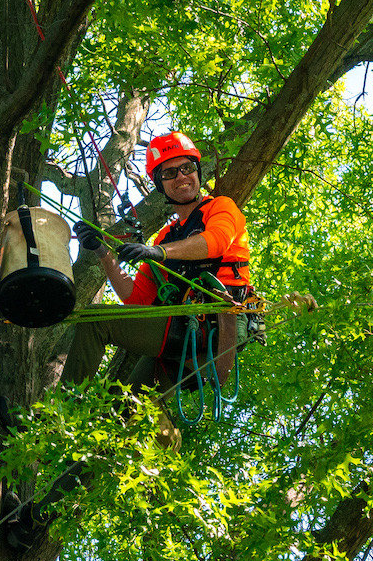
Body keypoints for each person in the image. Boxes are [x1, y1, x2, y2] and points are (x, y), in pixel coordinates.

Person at [61, 130, 254, 397]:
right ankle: (73, 434)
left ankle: (58, 415)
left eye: (186, 168)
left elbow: (217, 241)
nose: (181, 177)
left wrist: (157, 252)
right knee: (124, 407)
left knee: (95, 320)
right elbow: (136, 299)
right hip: (182, 328)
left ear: (197, 171)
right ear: (160, 185)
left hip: (213, 323)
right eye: (169, 173)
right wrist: (102, 252)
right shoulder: (167, 237)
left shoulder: (220, 208)